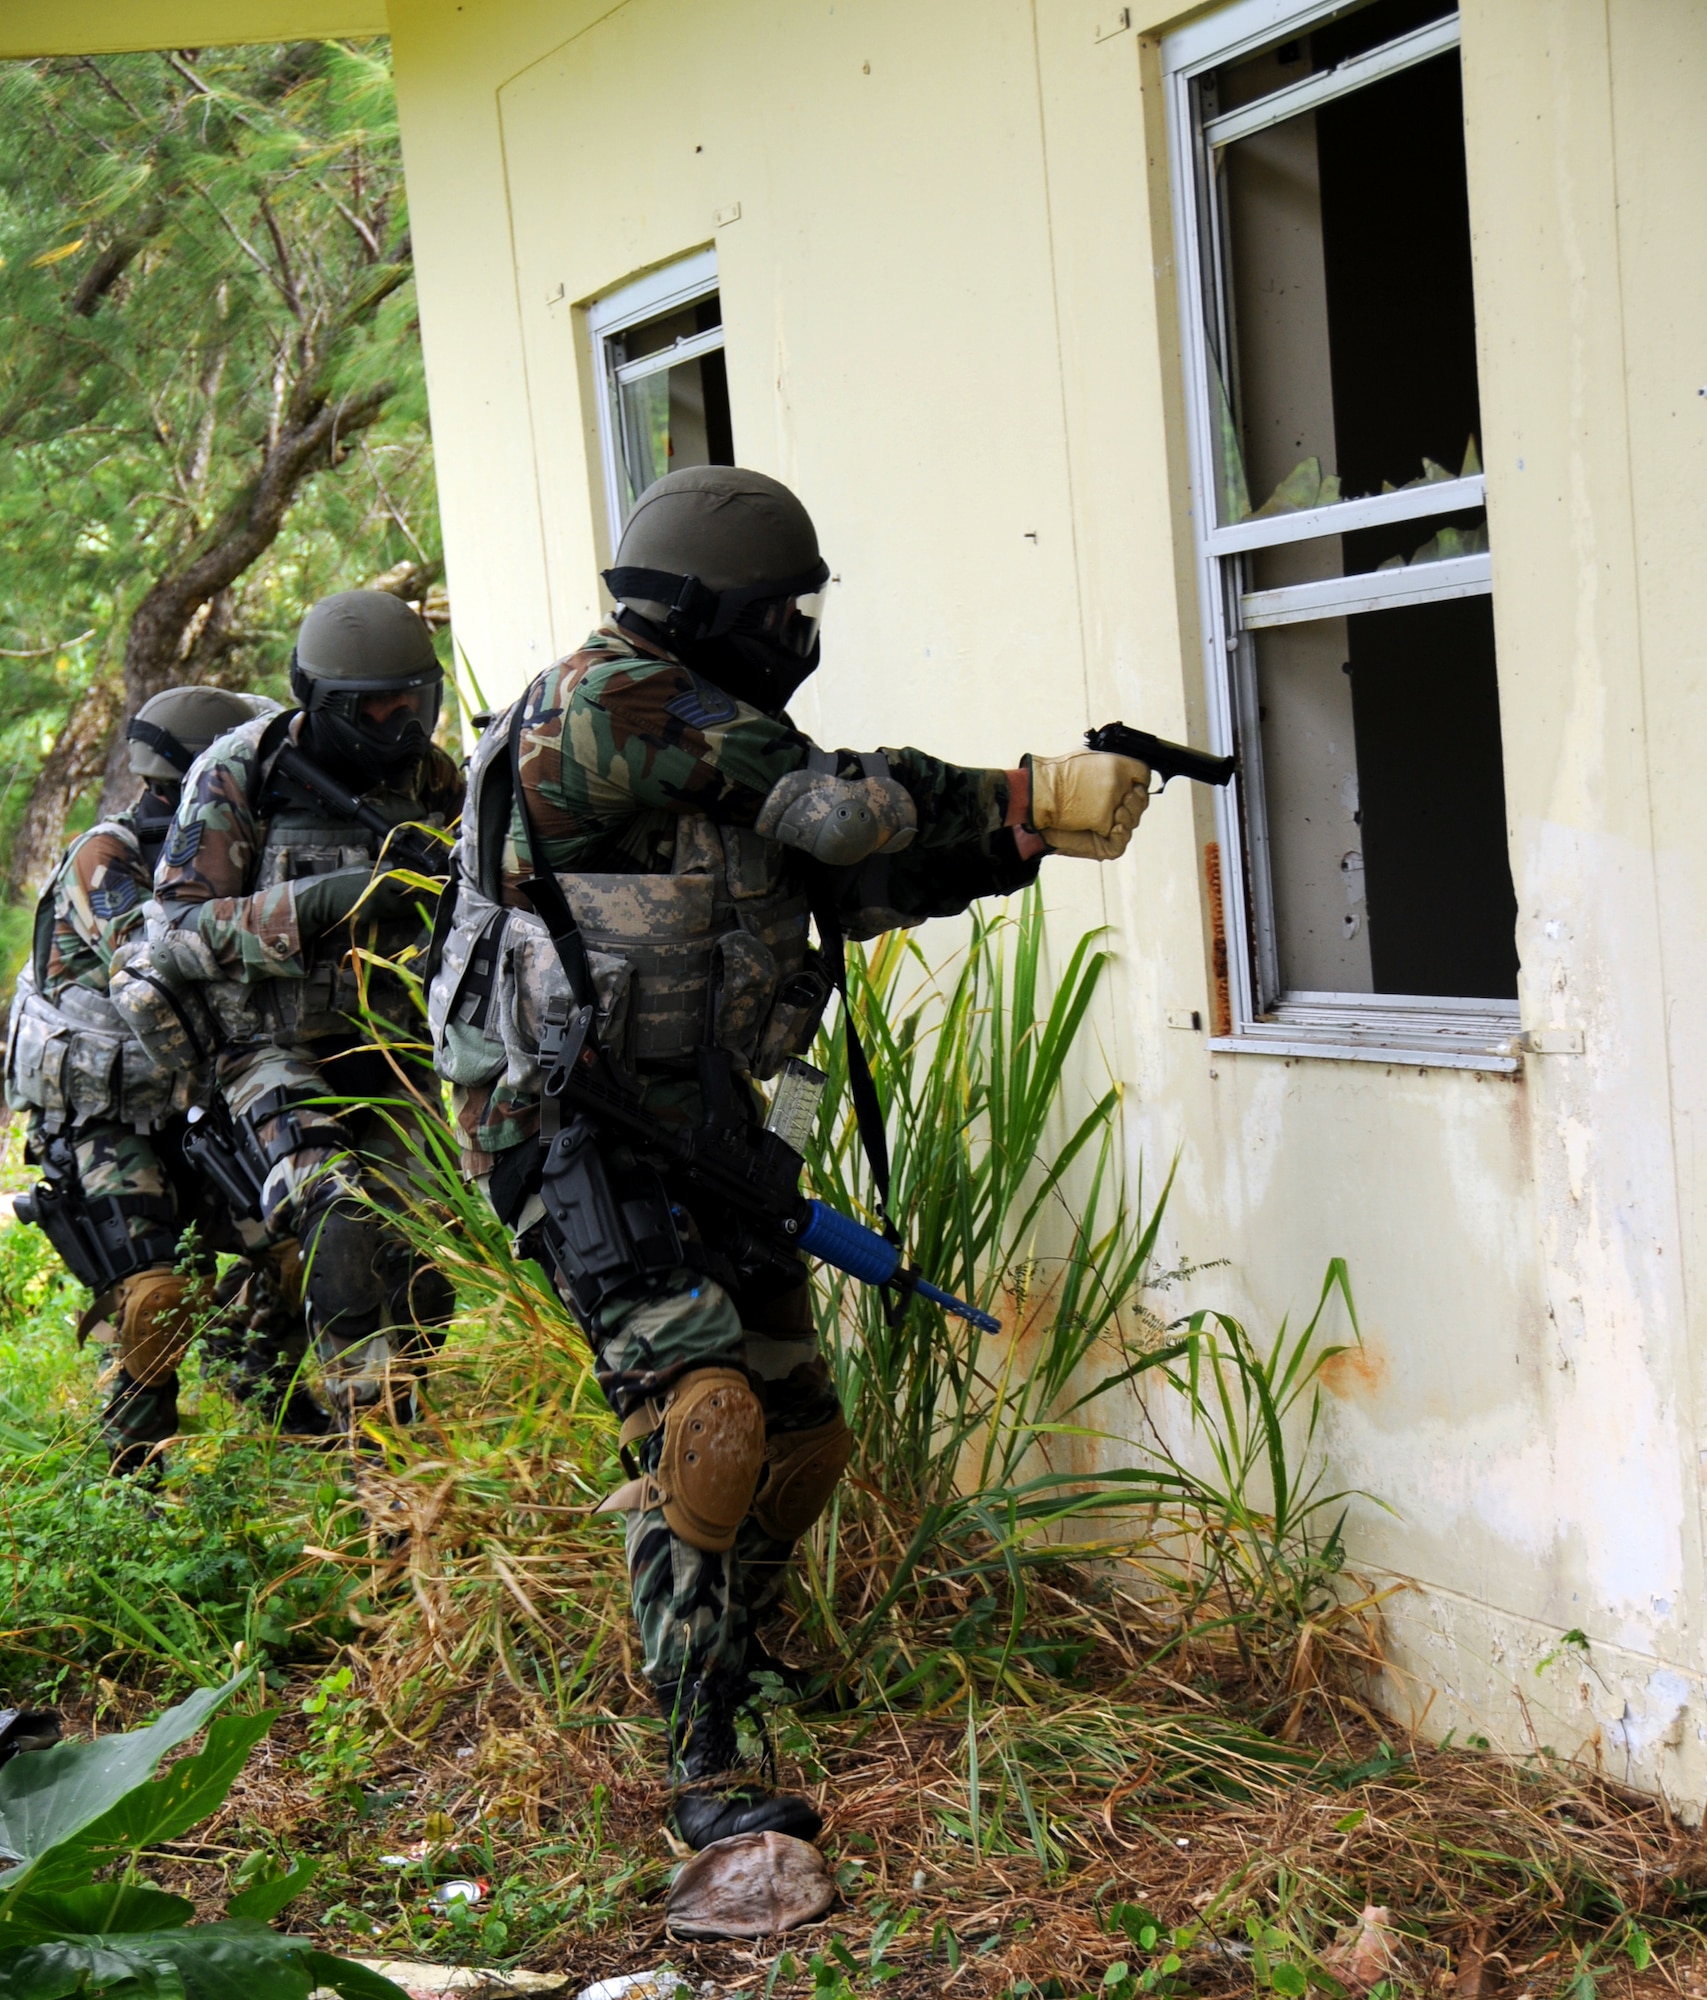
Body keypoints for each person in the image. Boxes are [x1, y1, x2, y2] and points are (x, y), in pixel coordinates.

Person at [427, 466, 1150, 1848]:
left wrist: (1017, 834)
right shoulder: (611, 703)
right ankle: (701, 1761)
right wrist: (1020, 788)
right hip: (566, 1125)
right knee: (702, 1414)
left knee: (800, 1435)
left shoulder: (695, 747)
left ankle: (742, 1640)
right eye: (784, 609)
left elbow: (853, 874)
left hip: (697, 1123)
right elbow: (839, 812)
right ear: (718, 612)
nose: (799, 633)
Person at [144, 592, 462, 1430]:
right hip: (270, 1048)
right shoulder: (238, 771)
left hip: (394, 1047)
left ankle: (405, 1406)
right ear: (317, 701)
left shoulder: (431, 776)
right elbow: (176, 933)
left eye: (412, 700)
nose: (398, 722)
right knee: (339, 1210)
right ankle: (377, 1447)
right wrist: (326, 900)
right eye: (373, 706)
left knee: (423, 1252)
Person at [4, 685, 325, 1473]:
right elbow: (156, 960)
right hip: (106, 1115)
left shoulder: (228, 848)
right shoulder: (106, 857)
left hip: (197, 1097)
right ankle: (134, 1466)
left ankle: (261, 1378)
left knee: (298, 1245)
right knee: (151, 1298)